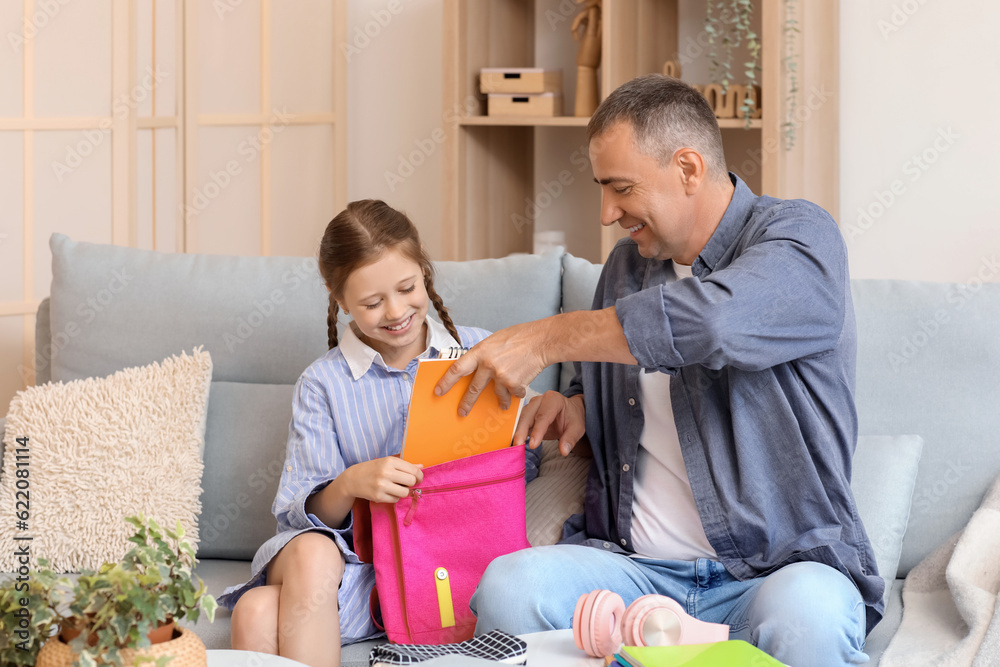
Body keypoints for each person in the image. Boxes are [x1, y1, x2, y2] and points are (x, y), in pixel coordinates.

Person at [436, 75, 883, 666]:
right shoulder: (626, 268)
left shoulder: (800, 238)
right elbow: (612, 380)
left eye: (620, 189)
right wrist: (576, 405)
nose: (605, 213)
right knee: (509, 588)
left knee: (811, 618)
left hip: (773, 572)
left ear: (689, 168)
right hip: (634, 572)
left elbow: (712, 326)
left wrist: (545, 338)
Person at [217, 200, 539, 667]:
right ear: (339, 298)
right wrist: (351, 483)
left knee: (257, 609)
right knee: (310, 550)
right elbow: (300, 514)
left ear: (424, 271)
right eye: (371, 303)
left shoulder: (480, 352)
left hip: (435, 561)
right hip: (350, 566)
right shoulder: (323, 383)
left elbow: (518, 469)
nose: (395, 311)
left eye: (408, 288)